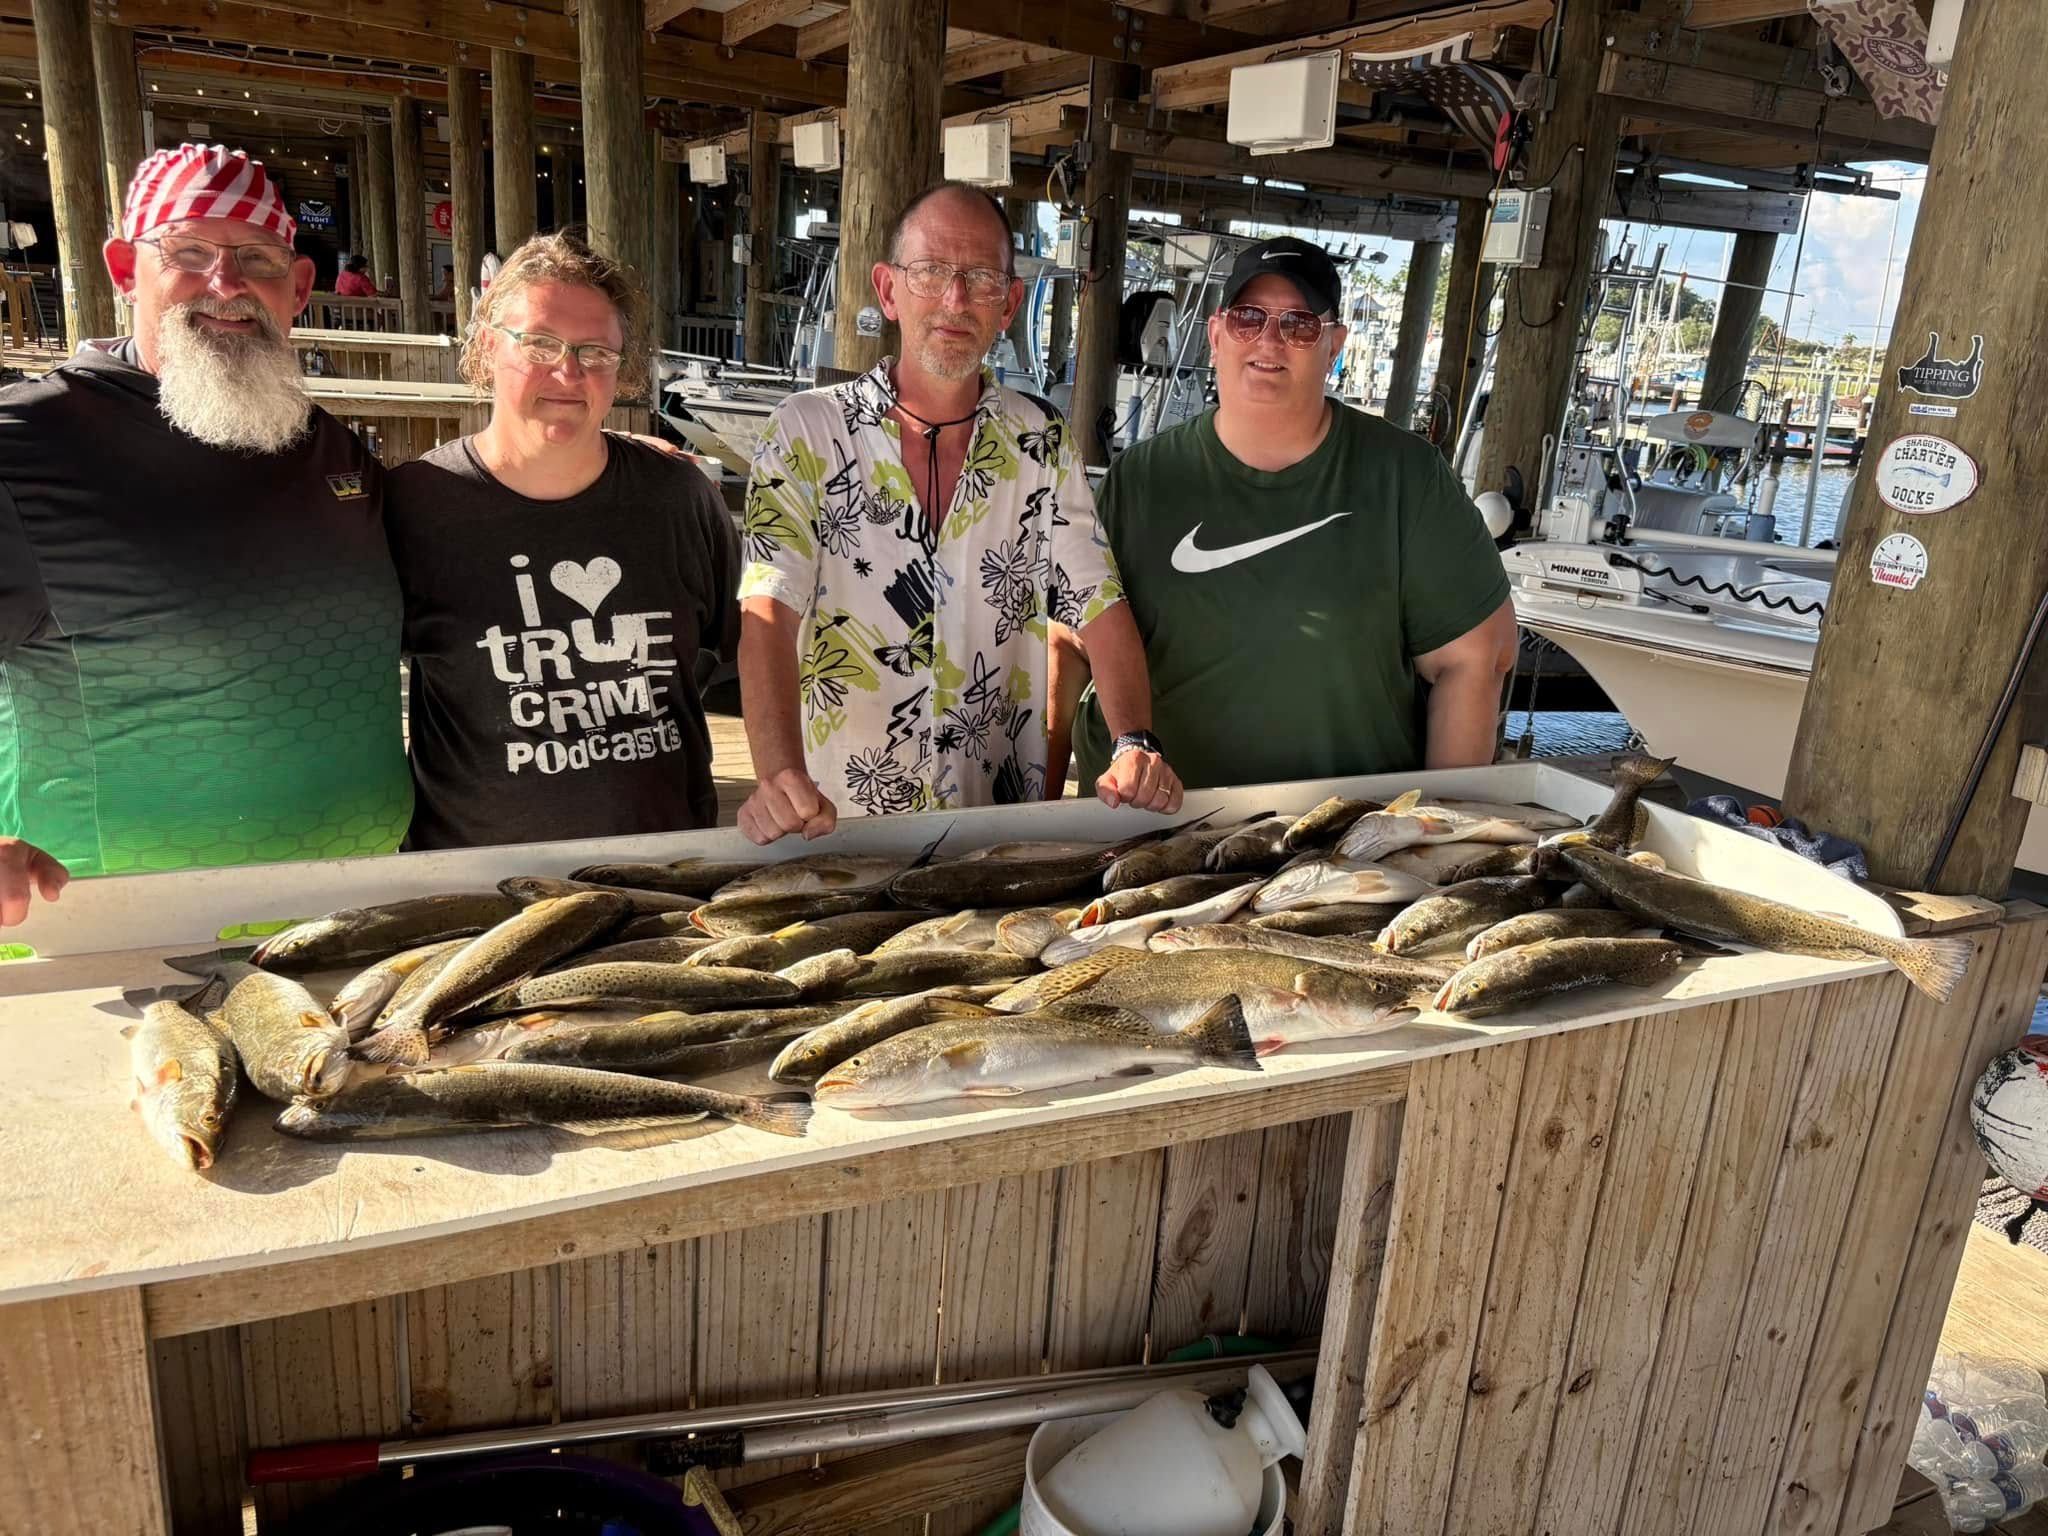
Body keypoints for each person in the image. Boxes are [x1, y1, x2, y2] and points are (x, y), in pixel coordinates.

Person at [0, 143, 411, 925]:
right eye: (188, 252)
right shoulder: (25, 445)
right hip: (112, 930)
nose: (226, 285)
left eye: (255, 258)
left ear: (296, 289)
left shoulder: (328, 445)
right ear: (126, 269)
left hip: (353, 912)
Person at [734, 183, 1181, 846]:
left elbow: (1099, 600)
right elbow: (767, 611)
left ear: (1009, 303)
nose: (955, 299)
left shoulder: (1043, 439)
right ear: (888, 291)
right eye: (931, 272)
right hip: (839, 821)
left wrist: (1135, 740)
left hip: (995, 826)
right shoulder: (803, 431)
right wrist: (777, 775)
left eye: (979, 278)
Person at [1059, 235, 1515, 791]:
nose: (1269, 340)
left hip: (1335, 838)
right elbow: (1068, 643)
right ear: (1216, 333)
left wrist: (1439, 830)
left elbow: (1476, 658)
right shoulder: (1139, 478)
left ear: (1335, 344)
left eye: (1300, 324)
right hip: (1152, 829)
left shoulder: (1407, 477)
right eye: (1248, 318)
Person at [386, 232, 739, 850]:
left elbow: (747, 652)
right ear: (488, 345)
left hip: (664, 873)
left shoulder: (679, 497)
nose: (568, 371)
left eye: (596, 351)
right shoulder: (414, 504)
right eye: (540, 343)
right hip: (471, 883)